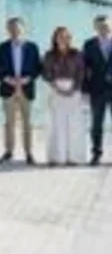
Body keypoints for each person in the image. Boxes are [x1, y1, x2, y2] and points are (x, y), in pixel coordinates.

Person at [0, 17, 42, 165]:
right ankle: (8, 152)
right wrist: (7, 79)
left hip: (26, 88)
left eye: (17, 28)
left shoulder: (32, 47)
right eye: (11, 28)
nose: (15, 31)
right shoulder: (2, 47)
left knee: (27, 123)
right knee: (9, 123)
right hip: (8, 88)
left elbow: (38, 68)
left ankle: (29, 153)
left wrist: (28, 79)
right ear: (7, 30)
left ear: (23, 29)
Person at [43, 27, 85, 166]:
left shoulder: (76, 53)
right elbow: (46, 74)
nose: (63, 39)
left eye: (66, 36)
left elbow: (81, 72)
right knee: (56, 124)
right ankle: (57, 157)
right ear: (55, 38)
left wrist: (73, 88)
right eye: (60, 36)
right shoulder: (49, 55)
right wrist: (56, 87)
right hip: (55, 91)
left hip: (74, 92)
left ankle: (73, 157)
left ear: (70, 38)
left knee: (74, 125)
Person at [82, 15, 112, 166]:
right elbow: (84, 68)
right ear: (95, 28)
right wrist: (85, 89)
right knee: (96, 124)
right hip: (97, 89)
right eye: (100, 26)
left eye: (106, 25)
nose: (103, 28)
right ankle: (96, 154)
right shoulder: (89, 44)